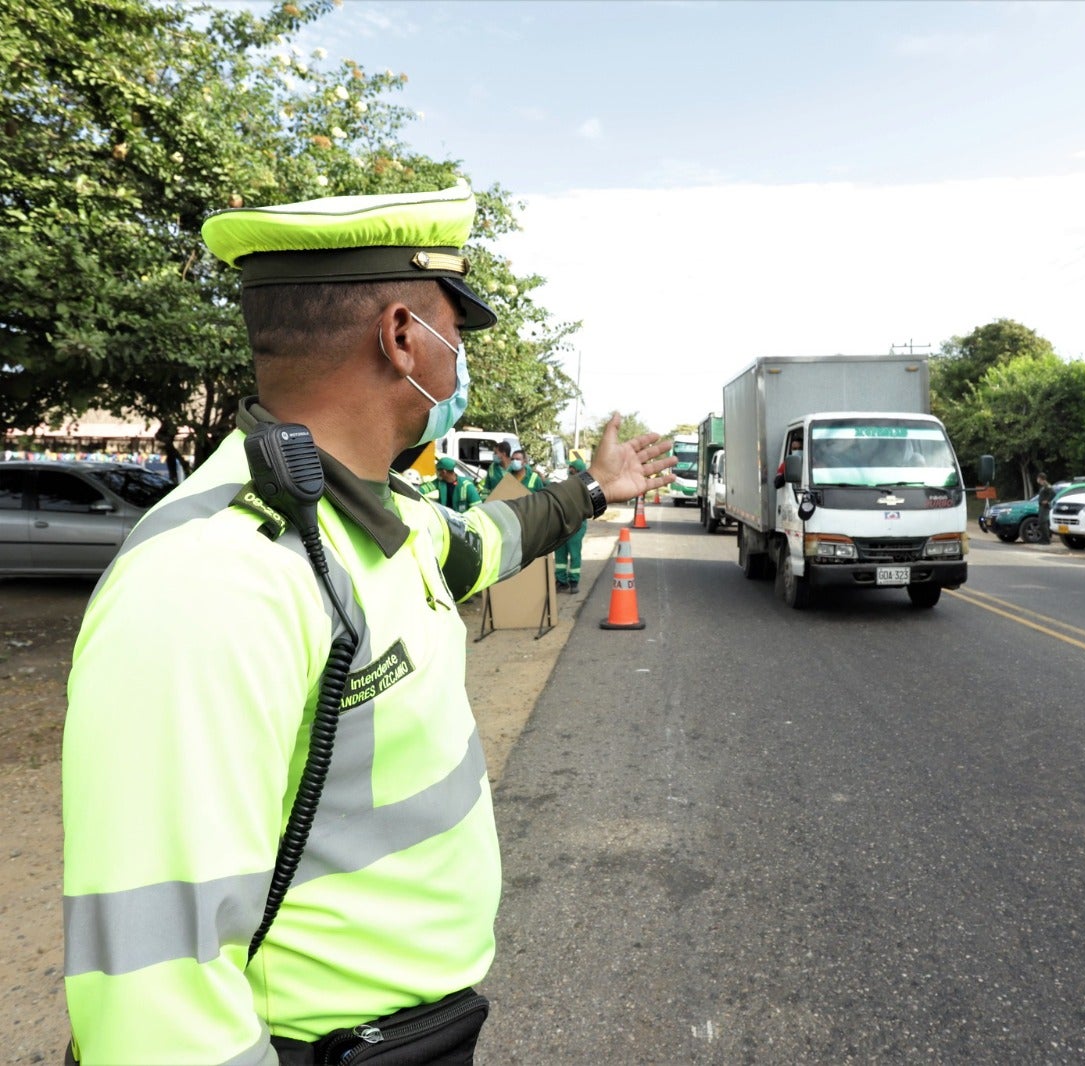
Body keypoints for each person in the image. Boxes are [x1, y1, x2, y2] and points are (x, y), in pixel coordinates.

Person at [59, 185, 676, 1065]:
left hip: (406, 1033)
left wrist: (589, 493)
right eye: (455, 337)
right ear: (401, 337)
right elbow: (158, 994)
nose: (462, 366)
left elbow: (487, 545)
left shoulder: (378, 515)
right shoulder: (215, 580)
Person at [554, 454, 588, 593]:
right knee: (560, 553)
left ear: (576, 470)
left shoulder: (584, 486)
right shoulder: (568, 482)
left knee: (574, 553)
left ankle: (574, 581)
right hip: (563, 523)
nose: (569, 469)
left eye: (571, 467)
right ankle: (561, 581)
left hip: (577, 525)